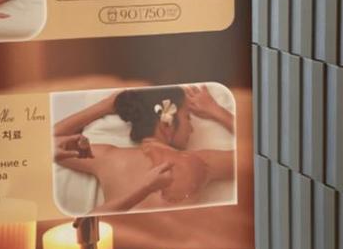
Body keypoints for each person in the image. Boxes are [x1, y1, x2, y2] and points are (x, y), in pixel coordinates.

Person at [53, 84, 236, 213]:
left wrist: (105, 106)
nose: (192, 128)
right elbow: (249, 155)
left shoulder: (107, 158)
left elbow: (49, 142)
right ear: (166, 124)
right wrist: (216, 111)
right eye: (187, 117)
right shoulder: (198, 163)